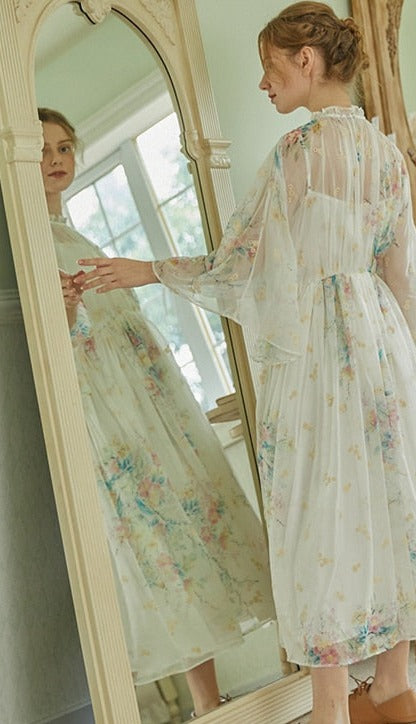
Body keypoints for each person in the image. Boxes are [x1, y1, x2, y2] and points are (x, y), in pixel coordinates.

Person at [76, 3, 416, 723]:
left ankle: (329, 707)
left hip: (319, 347)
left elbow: (241, 264)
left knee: (318, 517)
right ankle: (392, 685)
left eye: (270, 66)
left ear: (305, 62)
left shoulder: (299, 151)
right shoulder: (386, 153)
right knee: (389, 502)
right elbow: (403, 269)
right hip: (380, 340)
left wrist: (151, 270)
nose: (264, 83)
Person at [39, 107, 276, 718]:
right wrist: (67, 311)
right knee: (153, 543)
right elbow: (50, 350)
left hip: (149, 407)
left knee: (186, 530)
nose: (56, 159)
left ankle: (209, 701)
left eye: (64, 146)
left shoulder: (72, 234)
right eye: (41, 150)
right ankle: (198, 702)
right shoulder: (29, 244)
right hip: (109, 418)